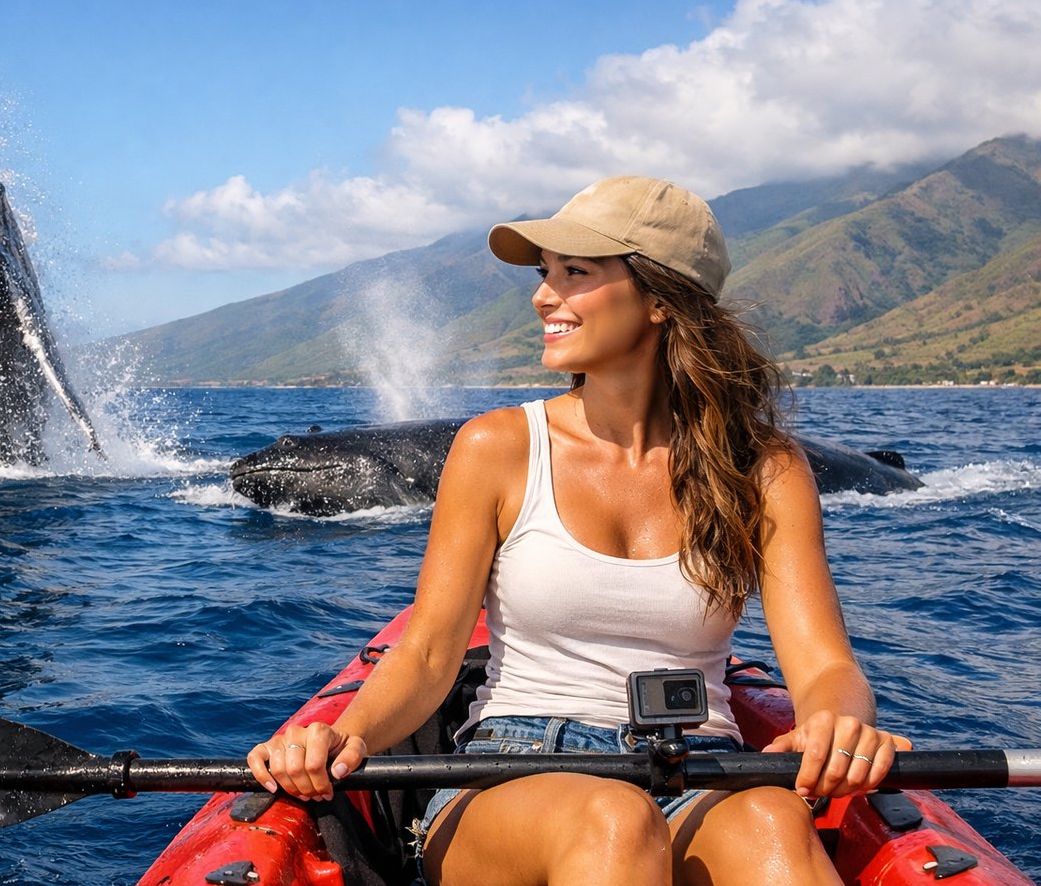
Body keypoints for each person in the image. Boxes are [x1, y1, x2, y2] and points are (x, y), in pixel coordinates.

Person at [246, 175, 899, 885]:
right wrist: (342, 736)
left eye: (575, 272)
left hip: (701, 765)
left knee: (775, 822)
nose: (542, 296)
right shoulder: (494, 448)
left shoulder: (766, 468)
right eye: (544, 273)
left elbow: (827, 666)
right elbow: (430, 651)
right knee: (614, 819)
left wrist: (840, 720)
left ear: (659, 298)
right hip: (512, 767)